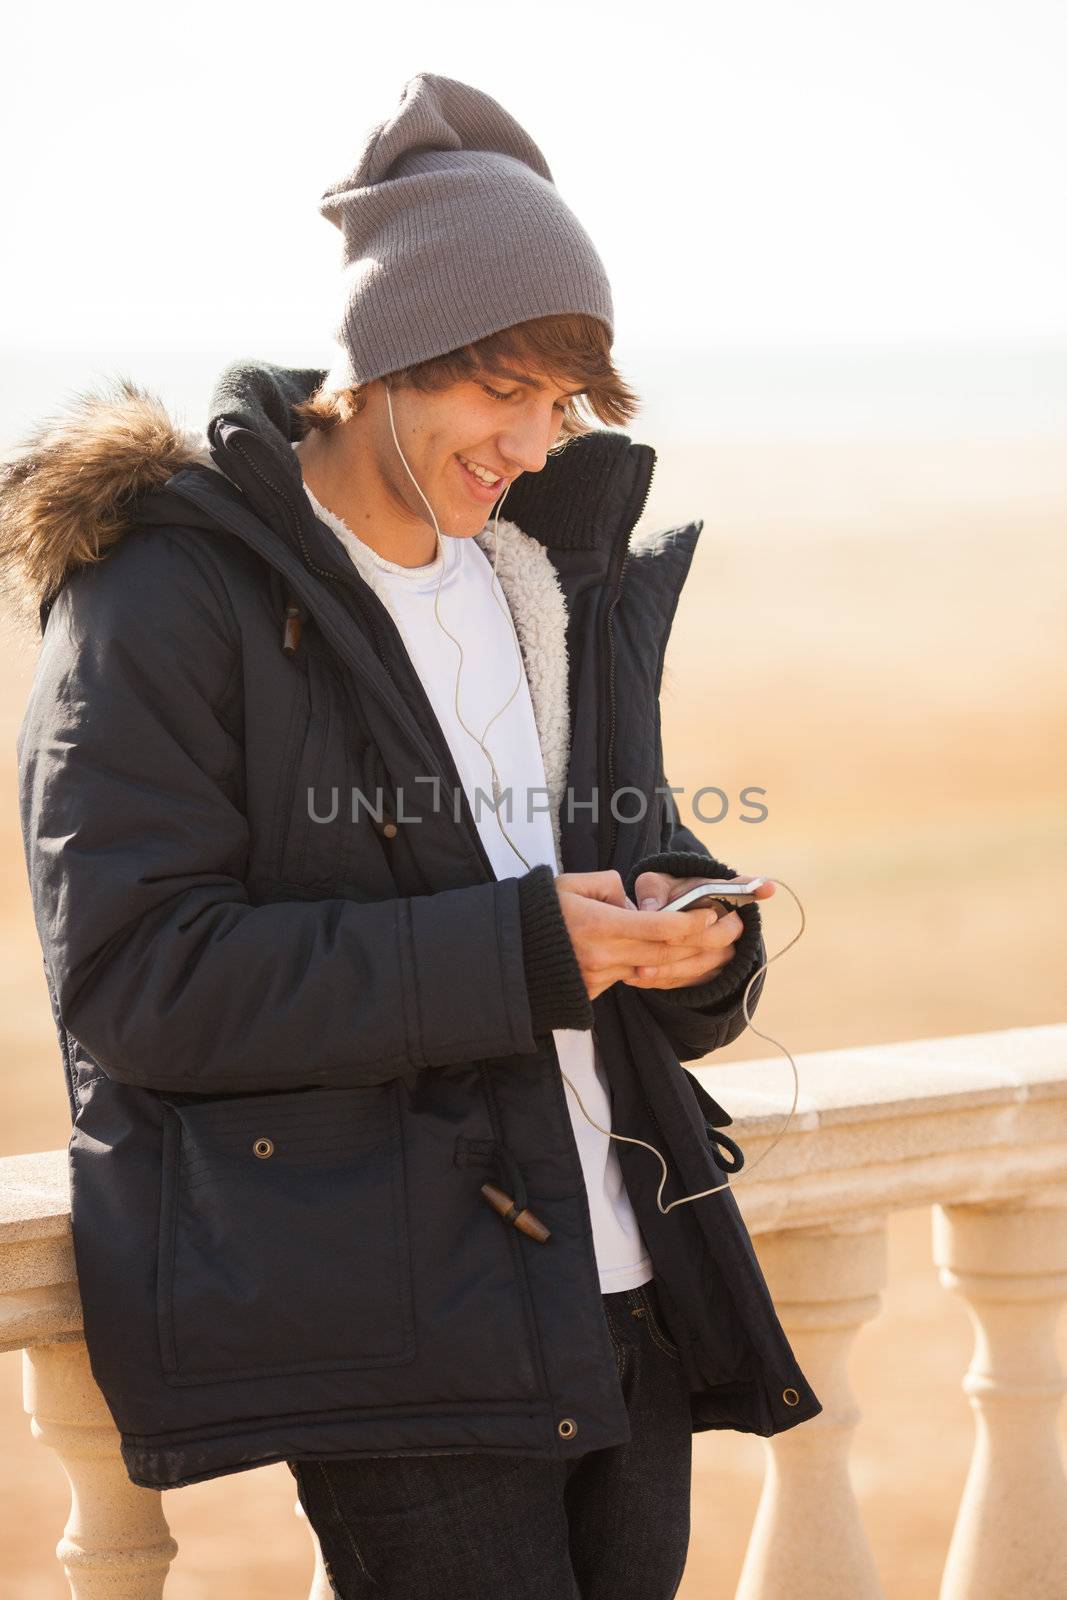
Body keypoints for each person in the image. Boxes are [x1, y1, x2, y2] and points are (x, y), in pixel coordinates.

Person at [2, 72, 819, 1600]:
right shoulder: (170, 593)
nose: (530, 438)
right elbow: (141, 981)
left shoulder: (537, 579)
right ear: (385, 361)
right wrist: (531, 950)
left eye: (561, 402)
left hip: (627, 1282)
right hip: (399, 1315)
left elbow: (593, 884)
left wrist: (689, 938)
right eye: (497, 390)